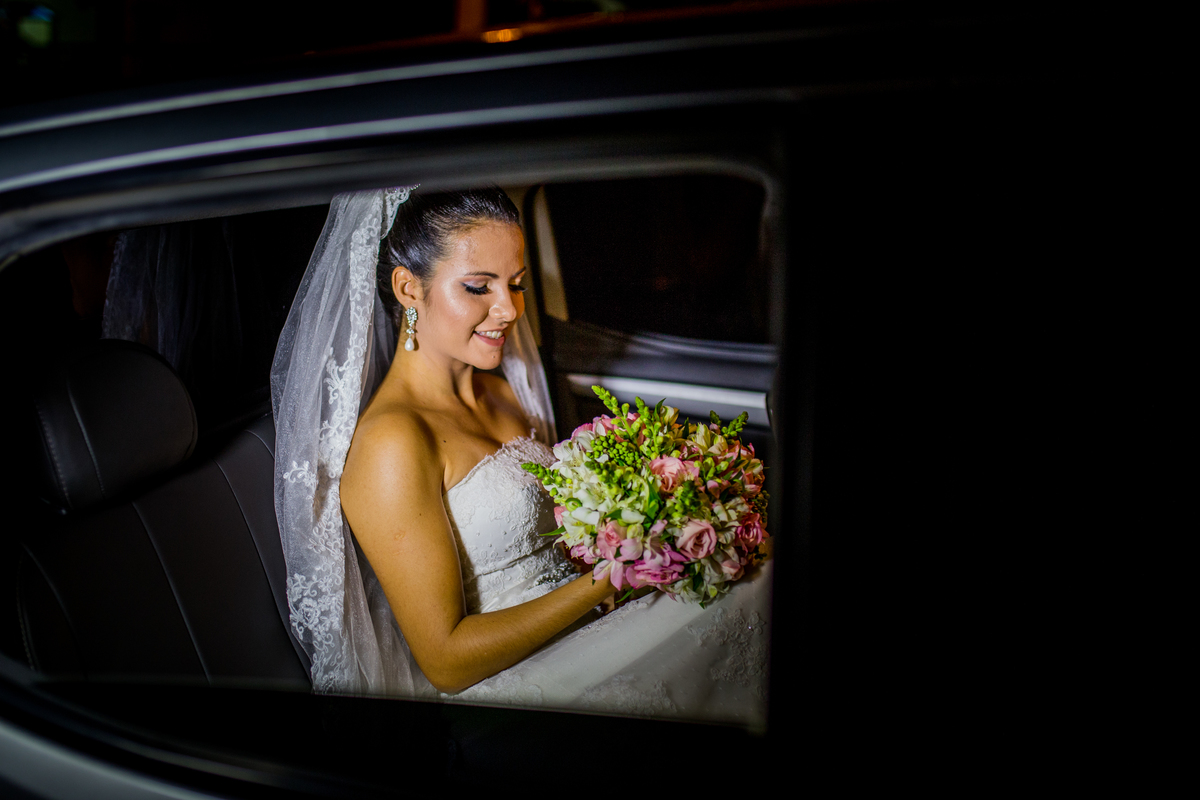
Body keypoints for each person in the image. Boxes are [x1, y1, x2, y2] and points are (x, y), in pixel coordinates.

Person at [271, 186, 770, 724]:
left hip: (585, 620)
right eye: (478, 287)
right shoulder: (392, 444)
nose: (509, 309)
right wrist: (615, 575)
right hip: (516, 681)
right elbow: (446, 662)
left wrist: (650, 521)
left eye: (516, 284)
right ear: (408, 288)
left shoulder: (502, 391)